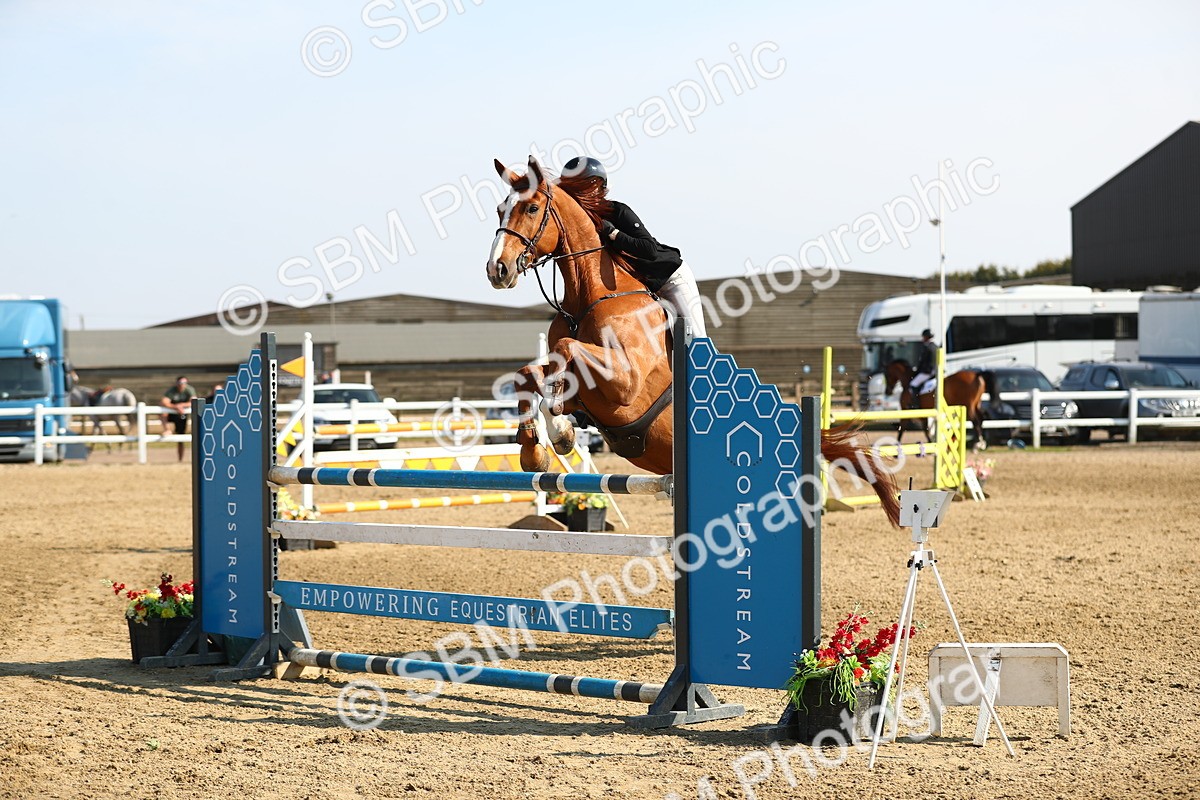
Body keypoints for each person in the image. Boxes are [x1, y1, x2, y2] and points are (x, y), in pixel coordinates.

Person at [557, 156, 708, 340]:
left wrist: (614, 234)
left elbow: (649, 249)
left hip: (669, 278)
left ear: (597, 186)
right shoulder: (583, 222)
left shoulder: (618, 211)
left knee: (695, 338)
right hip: (640, 287)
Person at [160, 376, 196, 462]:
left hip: (182, 415)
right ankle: (167, 429)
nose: (182, 385)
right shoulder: (172, 391)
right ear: (177, 383)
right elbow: (164, 401)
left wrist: (182, 405)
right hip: (172, 413)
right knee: (162, 413)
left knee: (181, 436)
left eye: (184, 383)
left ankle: (180, 459)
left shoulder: (189, 390)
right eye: (180, 383)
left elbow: (194, 401)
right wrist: (176, 407)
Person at [909, 329, 938, 406]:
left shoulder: (927, 347)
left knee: (913, 384)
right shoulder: (936, 346)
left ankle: (916, 404)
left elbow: (923, 362)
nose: (923, 339)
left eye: (923, 337)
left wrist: (917, 371)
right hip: (936, 371)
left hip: (927, 372)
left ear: (926, 337)